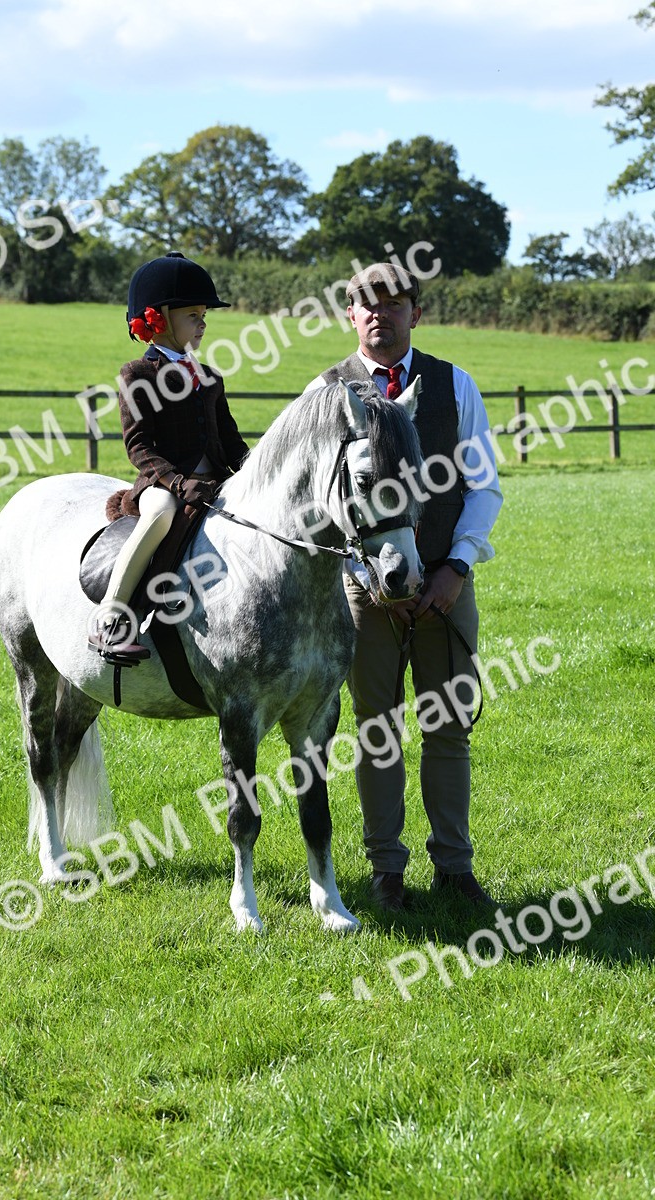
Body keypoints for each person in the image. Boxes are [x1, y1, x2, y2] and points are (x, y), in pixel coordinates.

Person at [306, 262, 503, 910]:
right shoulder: (326, 393)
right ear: (349, 314)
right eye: (367, 303)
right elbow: (310, 505)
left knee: (448, 729)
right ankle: (386, 870)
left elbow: (485, 487)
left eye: (394, 303)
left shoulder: (454, 385)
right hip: (364, 595)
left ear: (415, 313)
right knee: (377, 730)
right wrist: (364, 574)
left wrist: (455, 569)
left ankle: (454, 866)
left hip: (446, 585)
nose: (379, 314)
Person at [88, 252, 250, 662]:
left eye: (203, 315)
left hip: (215, 480)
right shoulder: (136, 374)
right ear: (158, 318)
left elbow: (230, 440)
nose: (203, 323)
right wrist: (177, 483)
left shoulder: (210, 377)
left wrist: (256, 468)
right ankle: (113, 617)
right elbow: (138, 446)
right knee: (161, 514)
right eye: (193, 315)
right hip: (163, 485)